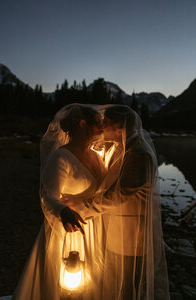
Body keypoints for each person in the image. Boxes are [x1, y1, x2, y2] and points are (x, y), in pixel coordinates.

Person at [63, 105, 170, 300]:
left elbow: (119, 195)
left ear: (120, 127)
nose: (101, 126)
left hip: (131, 237)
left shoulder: (139, 154)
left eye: (106, 123)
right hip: (118, 233)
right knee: (117, 285)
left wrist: (81, 208)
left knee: (129, 287)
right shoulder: (122, 148)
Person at [12, 104, 108, 300]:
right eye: (98, 124)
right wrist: (63, 210)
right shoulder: (60, 158)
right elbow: (47, 195)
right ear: (82, 124)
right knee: (62, 285)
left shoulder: (98, 156)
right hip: (68, 230)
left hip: (94, 227)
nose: (102, 128)